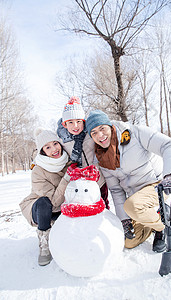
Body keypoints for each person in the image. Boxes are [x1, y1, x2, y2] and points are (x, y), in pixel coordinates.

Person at [86, 110, 171, 252]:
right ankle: (156, 214)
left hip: (156, 186)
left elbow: (168, 145)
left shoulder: (134, 133)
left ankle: (161, 226)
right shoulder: (100, 157)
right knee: (128, 242)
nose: (100, 135)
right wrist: (124, 220)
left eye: (102, 128)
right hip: (135, 199)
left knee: (132, 206)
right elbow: (116, 190)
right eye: (94, 133)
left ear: (110, 125)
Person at [19, 128, 71, 266]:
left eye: (55, 143)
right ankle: (44, 243)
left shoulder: (69, 161)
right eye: (48, 147)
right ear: (42, 151)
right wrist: (67, 178)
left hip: (63, 207)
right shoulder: (38, 170)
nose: (54, 149)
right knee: (44, 203)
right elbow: (53, 202)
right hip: (41, 208)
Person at [57, 96, 109, 209]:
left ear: (83, 122)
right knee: (82, 208)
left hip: (98, 179)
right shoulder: (62, 140)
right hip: (77, 182)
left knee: (102, 205)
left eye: (78, 121)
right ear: (64, 124)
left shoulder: (91, 134)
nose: (75, 126)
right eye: (70, 122)